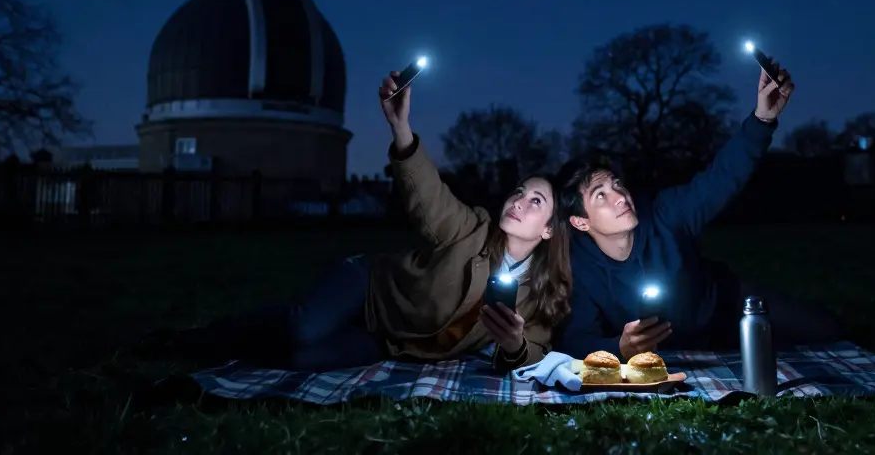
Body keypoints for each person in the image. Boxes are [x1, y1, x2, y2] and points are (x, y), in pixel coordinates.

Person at [143, 72, 572, 372]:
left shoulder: (535, 295)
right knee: (301, 328)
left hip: (387, 340)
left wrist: (515, 345)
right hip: (368, 288)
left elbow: (535, 348)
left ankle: (242, 346)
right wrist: (400, 128)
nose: (519, 201)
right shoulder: (472, 229)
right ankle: (195, 341)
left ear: (549, 229)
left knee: (299, 360)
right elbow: (428, 196)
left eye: (536, 200)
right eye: (518, 191)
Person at [552, 60, 840, 360]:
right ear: (580, 221)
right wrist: (618, 348)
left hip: (728, 307)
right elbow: (575, 340)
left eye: (616, 184)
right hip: (680, 351)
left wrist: (762, 120)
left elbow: (720, 179)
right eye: (601, 196)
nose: (620, 196)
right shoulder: (581, 267)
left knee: (827, 332)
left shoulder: (664, 213)